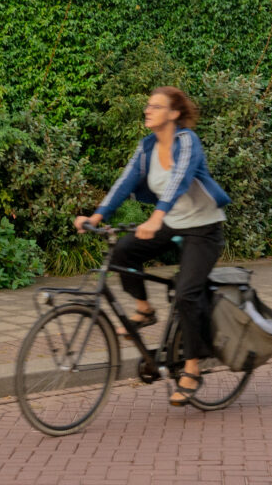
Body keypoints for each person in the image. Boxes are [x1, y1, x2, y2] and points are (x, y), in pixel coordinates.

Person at [74, 86, 230, 407]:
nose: (148, 110)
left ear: (174, 114)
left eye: (156, 106)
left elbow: (180, 180)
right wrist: (98, 215)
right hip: (172, 222)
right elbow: (124, 182)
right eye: (148, 105)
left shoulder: (187, 142)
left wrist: (157, 217)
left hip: (203, 228)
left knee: (187, 293)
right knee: (123, 252)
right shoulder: (146, 148)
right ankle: (144, 311)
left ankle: (192, 369)